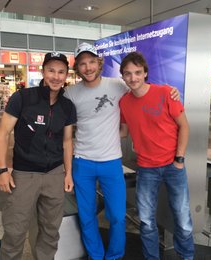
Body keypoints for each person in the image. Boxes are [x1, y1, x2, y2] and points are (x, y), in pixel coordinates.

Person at [64, 42, 180, 260]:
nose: (87, 67)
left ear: (98, 63)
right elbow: (67, 134)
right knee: (87, 216)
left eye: (91, 62)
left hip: (111, 162)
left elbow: (142, 88)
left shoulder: (118, 85)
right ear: (77, 68)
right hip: (83, 162)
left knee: (117, 216)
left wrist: (170, 90)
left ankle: (114, 256)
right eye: (82, 64)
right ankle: (96, 256)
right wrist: (69, 170)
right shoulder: (70, 93)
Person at [0, 52, 76, 260]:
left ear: (66, 74)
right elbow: (2, 133)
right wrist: (2, 170)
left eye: (61, 72)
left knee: (51, 229)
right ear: (43, 71)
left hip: (55, 174)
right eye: (51, 70)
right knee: (15, 229)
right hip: (24, 174)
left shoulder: (67, 106)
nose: (56, 76)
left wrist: (68, 174)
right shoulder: (23, 98)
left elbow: (67, 142)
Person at [119, 52, 194, 260]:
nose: (133, 78)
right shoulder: (124, 102)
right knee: (146, 220)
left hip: (173, 166)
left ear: (145, 73)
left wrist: (179, 160)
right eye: (128, 73)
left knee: (182, 218)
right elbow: (123, 132)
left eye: (137, 72)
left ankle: (187, 257)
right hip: (146, 168)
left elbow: (184, 127)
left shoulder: (165, 93)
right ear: (122, 76)